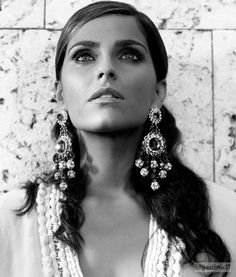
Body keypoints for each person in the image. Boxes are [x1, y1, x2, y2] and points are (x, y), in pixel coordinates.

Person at [0, 1, 234, 276]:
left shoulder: (224, 216)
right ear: (60, 92)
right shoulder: (11, 222)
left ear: (158, 92)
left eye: (130, 55)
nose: (107, 69)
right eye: (85, 56)